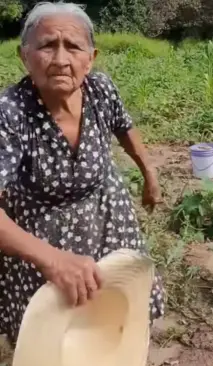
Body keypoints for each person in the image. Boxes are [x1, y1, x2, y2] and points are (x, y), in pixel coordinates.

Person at [0, 2, 165, 345]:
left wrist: (149, 172)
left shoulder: (100, 89)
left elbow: (125, 127)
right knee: (53, 341)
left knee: (116, 320)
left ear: (90, 58)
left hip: (108, 217)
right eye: (47, 45)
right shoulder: (10, 114)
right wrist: (52, 260)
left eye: (73, 46)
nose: (61, 59)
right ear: (24, 56)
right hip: (40, 241)